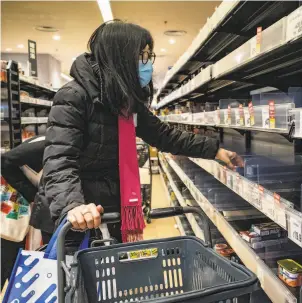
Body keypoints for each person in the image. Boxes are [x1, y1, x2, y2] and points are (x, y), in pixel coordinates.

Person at [30, 20, 241, 241]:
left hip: (109, 208)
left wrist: (214, 150)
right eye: (142, 56)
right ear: (120, 58)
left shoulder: (125, 101)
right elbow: (60, 160)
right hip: (77, 217)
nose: (147, 63)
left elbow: (163, 135)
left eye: (149, 56)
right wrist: (73, 206)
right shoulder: (74, 96)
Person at [1, 135, 48, 287]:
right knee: (9, 262)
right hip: (13, 213)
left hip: (20, 214)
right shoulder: (47, 143)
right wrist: (32, 195)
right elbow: (6, 160)